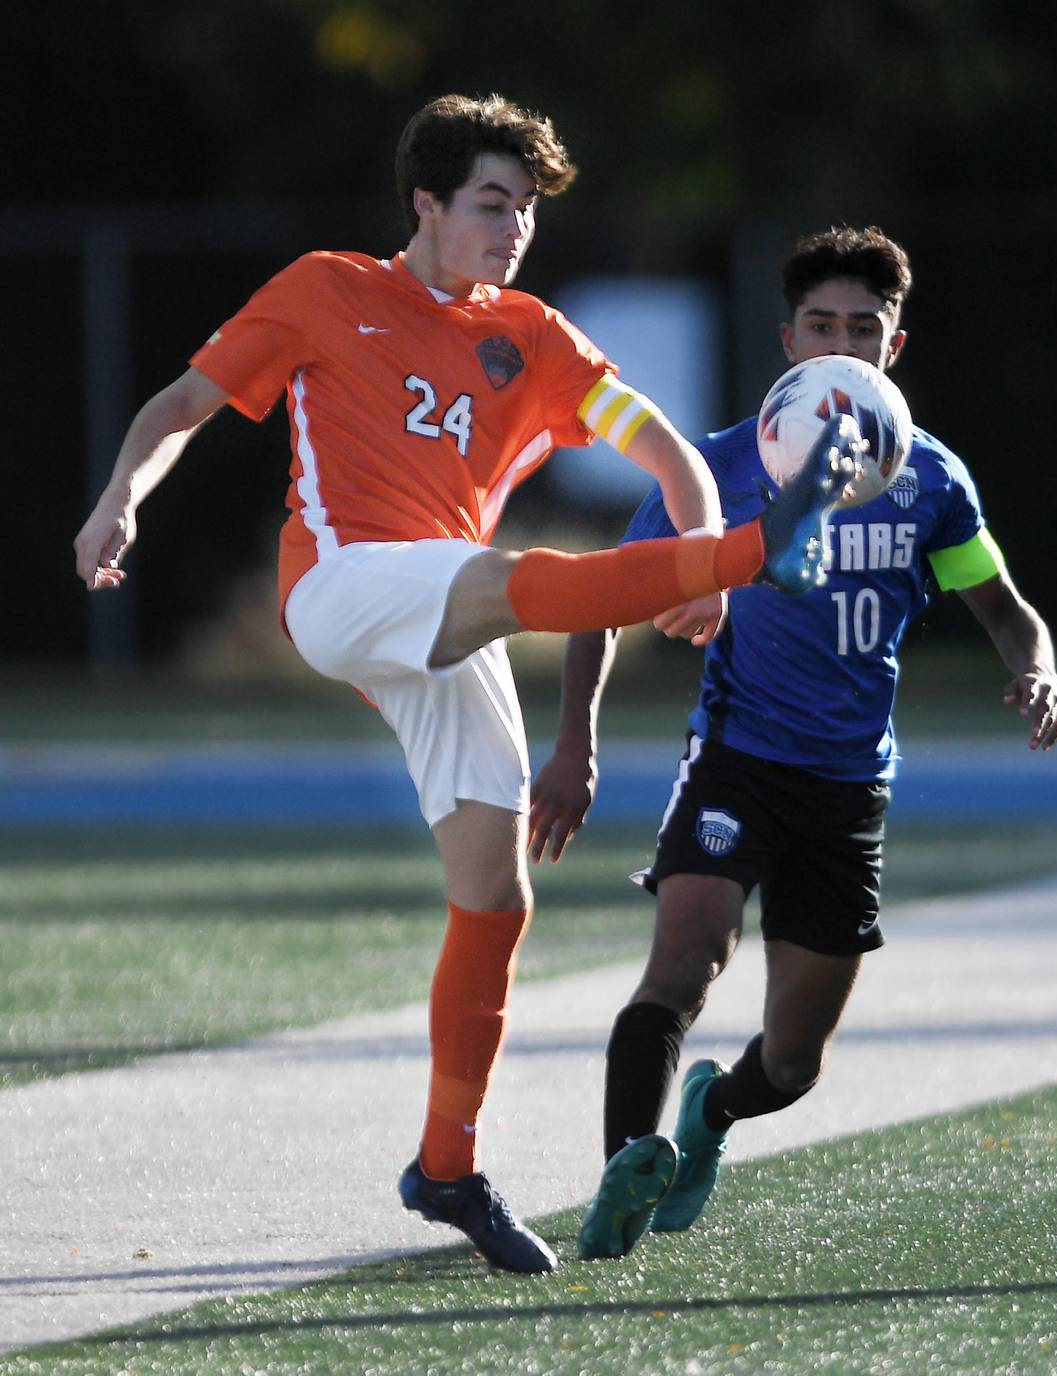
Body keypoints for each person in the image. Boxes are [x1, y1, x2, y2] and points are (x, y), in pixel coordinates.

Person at [72, 92, 857, 1275]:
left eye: (529, 208)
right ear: (426, 204)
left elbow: (662, 444)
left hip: (446, 610)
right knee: (515, 578)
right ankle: (768, 547)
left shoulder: (533, 334)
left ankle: (446, 1162)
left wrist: (696, 549)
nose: (515, 227)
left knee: (495, 893)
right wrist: (121, 491)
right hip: (340, 586)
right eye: (493, 202)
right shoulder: (327, 288)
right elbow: (182, 403)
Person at [528, 225, 1057, 1261]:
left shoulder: (931, 479)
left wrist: (1034, 666)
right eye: (822, 323)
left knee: (793, 1060)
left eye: (864, 327)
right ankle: (622, 1178)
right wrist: (575, 745)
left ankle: (712, 1116)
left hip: (851, 785)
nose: (843, 341)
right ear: (788, 341)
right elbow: (605, 600)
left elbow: (1004, 607)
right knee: (684, 964)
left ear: (893, 349)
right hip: (737, 756)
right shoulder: (720, 464)